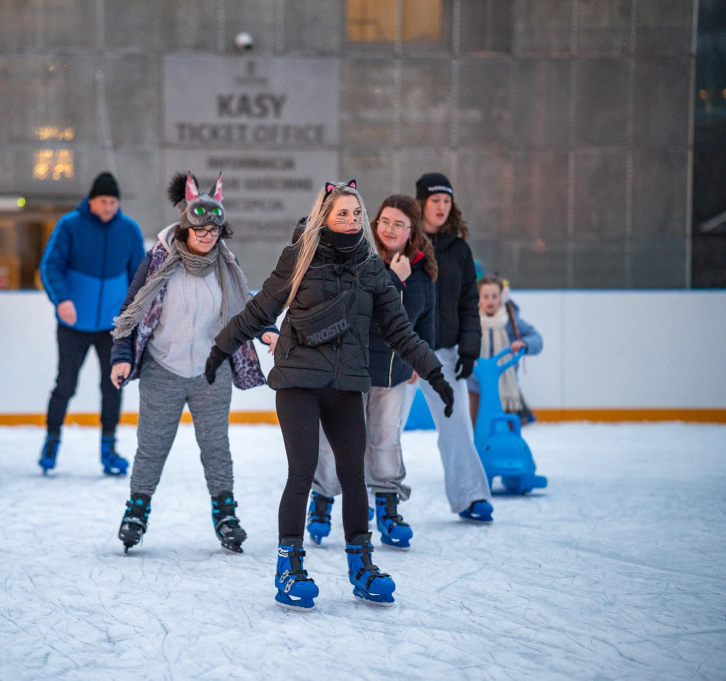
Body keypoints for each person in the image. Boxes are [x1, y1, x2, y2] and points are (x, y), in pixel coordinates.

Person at [209, 180, 454, 610]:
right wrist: (219, 351)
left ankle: (361, 565)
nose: (351, 220)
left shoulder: (370, 267)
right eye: (342, 213)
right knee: (302, 471)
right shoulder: (300, 256)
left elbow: (400, 330)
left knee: (353, 474)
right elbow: (260, 309)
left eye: (357, 213)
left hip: (346, 384)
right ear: (324, 215)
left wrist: (434, 372)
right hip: (299, 382)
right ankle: (289, 567)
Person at [110, 172, 276, 554]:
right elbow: (130, 310)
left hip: (209, 372)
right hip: (161, 369)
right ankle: (136, 511)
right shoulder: (157, 262)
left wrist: (266, 330)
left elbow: (246, 308)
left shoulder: (226, 266)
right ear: (186, 227)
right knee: (151, 447)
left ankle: (226, 516)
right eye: (200, 230)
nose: (207, 237)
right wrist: (121, 357)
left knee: (216, 447)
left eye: (214, 231)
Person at [307, 194, 437, 551]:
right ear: (375, 224)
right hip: (352, 371)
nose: (390, 229)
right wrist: (393, 279)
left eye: (400, 224)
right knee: (336, 443)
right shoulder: (358, 259)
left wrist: (419, 360)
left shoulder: (423, 270)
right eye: (385, 221)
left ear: (412, 231)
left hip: (394, 374)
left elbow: (426, 322)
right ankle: (322, 499)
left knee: (385, 442)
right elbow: (358, 312)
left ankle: (387, 507)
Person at [39, 172, 145, 476]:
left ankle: (108, 448)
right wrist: (62, 299)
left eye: (113, 201)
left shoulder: (129, 230)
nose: (109, 206)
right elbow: (50, 266)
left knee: (113, 385)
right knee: (65, 385)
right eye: (103, 201)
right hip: (73, 325)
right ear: (91, 200)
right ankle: (51, 440)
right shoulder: (69, 225)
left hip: (113, 328)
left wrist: (134, 315)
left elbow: (141, 276)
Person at [413, 172, 494, 523]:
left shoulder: (459, 250)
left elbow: (468, 302)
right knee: (380, 429)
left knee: (458, 424)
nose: (442, 207)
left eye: (447, 201)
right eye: (435, 201)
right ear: (421, 204)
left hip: (445, 352)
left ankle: (471, 496)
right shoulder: (406, 244)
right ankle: (373, 502)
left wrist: (468, 350)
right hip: (403, 353)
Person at [469, 275, 544, 425]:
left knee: (508, 424)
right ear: (479, 298)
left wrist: (524, 342)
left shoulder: (511, 321)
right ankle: (473, 448)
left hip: (505, 383)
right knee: (474, 424)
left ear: (501, 297)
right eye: (486, 296)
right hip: (475, 383)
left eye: (494, 296)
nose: (490, 301)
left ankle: (508, 445)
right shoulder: (470, 320)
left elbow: (537, 339)